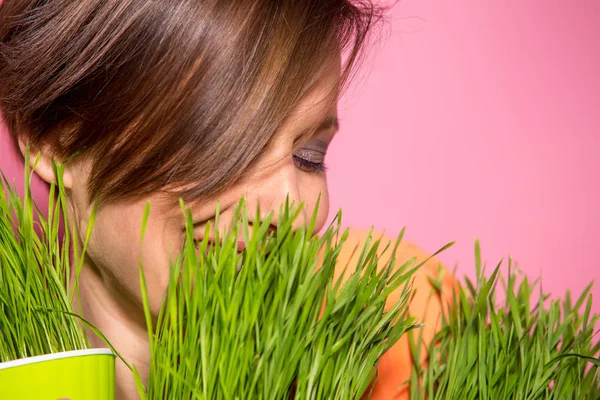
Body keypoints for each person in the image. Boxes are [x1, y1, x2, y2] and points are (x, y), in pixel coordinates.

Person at [0, 1, 456, 398]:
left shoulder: (400, 325)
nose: (289, 207)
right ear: (56, 142)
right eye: (226, 142)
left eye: (308, 156)